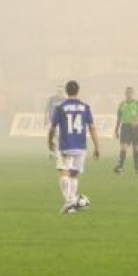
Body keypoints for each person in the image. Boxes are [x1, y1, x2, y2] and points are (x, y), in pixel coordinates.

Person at [47, 80, 100, 214]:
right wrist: (97, 146)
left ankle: (69, 201)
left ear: (66, 90)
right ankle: (72, 204)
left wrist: (50, 141)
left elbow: (52, 128)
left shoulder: (60, 107)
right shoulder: (85, 107)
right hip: (81, 146)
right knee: (74, 175)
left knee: (63, 172)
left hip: (66, 145)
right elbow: (92, 128)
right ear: (78, 90)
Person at [113, 86, 138, 174]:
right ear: (125, 94)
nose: (129, 94)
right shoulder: (122, 104)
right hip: (125, 127)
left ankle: (136, 168)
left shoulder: (137, 103)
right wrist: (116, 129)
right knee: (123, 147)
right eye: (127, 93)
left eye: (130, 92)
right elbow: (119, 118)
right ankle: (120, 168)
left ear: (133, 93)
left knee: (135, 147)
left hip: (134, 127)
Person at [45, 86, 65, 159]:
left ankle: (58, 152)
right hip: (52, 120)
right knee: (51, 137)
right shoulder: (52, 99)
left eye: (61, 91)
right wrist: (46, 119)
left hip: (61, 122)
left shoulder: (65, 99)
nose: (60, 92)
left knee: (59, 137)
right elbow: (47, 109)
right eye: (59, 91)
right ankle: (52, 152)